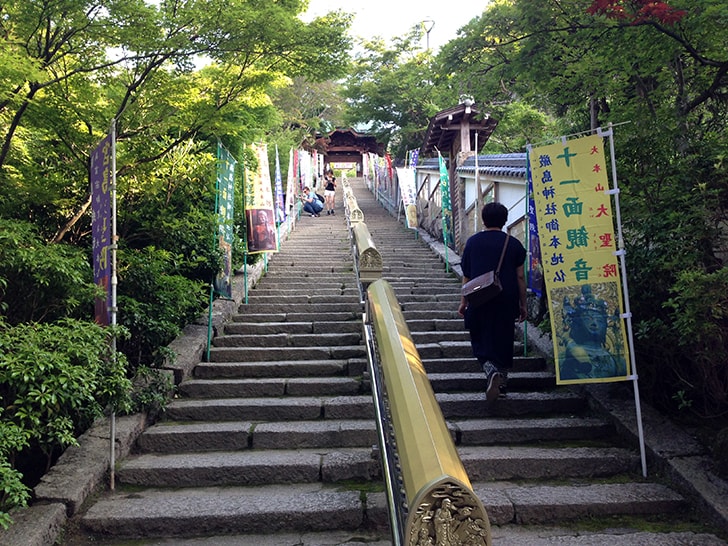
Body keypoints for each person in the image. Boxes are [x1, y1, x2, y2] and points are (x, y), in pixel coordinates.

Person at [458, 202, 527, 406]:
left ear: (483, 219)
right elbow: (520, 277)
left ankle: (490, 370)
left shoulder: (472, 243)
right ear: (504, 220)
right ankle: (502, 386)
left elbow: (467, 275)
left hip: (479, 298)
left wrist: (463, 301)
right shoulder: (513, 244)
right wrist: (523, 304)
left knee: (479, 338)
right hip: (506, 298)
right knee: (504, 339)